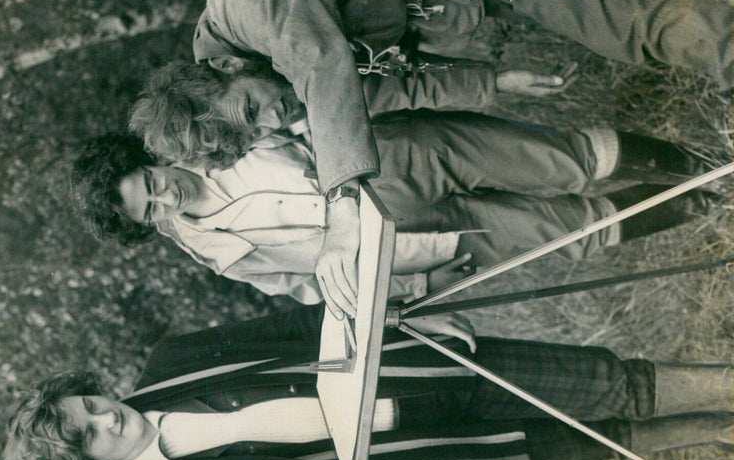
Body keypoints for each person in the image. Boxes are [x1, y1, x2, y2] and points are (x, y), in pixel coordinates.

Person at [188, 0, 732, 308]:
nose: (273, 119)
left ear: (226, 68)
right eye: (258, 133)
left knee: (641, 26)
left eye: (251, 111)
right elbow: (391, 88)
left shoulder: (239, 12)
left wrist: (343, 203)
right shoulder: (269, 71)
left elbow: (323, 62)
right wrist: (492, 82)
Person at [2, 302, 732, 460]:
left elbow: (296, 323)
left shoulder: (174, 358)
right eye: (90, 434)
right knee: (599, 444)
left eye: (88, 404)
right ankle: (721, 428)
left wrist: (399, 318)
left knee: (612, 382)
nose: (105, 415)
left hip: (423, 369)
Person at [72, 108, 712, 311]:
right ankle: (707, 202)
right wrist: (405, 285)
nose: (165, 196)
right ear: (146, 228)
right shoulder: (210, 250)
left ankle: (701, 162)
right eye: (149, 210)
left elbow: (302, 105)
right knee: (567, 235)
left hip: (398, 158)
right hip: (407, 241)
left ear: (146, 158)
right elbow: (305, 285)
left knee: (563, 161)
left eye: (150, 181)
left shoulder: (201, 126)